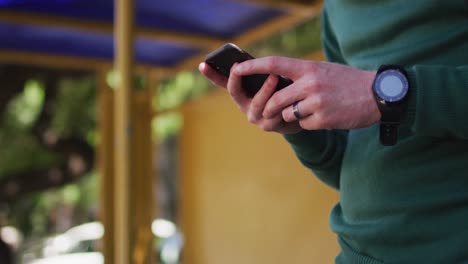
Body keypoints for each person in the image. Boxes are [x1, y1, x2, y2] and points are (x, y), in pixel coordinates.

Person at [199, 1, 468, 263]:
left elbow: (372, 97)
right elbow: (346, 162)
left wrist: (385, 92)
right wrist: (298, 128)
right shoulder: (334, 8)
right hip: (356, 252)